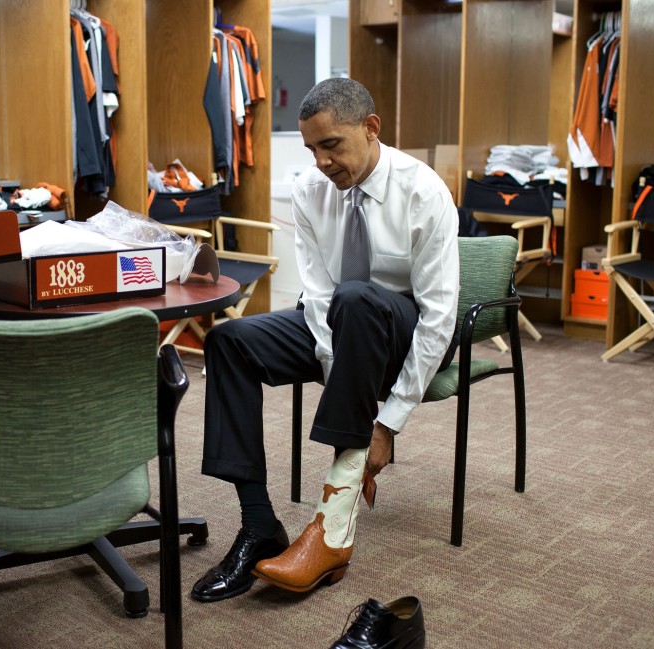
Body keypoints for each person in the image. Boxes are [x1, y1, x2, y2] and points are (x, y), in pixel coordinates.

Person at [191, 78, 460, 602]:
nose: (320, 162)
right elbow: (317, 298)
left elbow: (439, 316)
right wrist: (345, 385)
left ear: (371, 128)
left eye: (331, 145)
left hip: (409, 334)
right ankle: (257, 526)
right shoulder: (311, 192)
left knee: (358, 297)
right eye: (311, 148)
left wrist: (387, 422)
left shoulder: (423, 191)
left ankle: (332, 528)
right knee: (230, 341)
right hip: (341, 328)